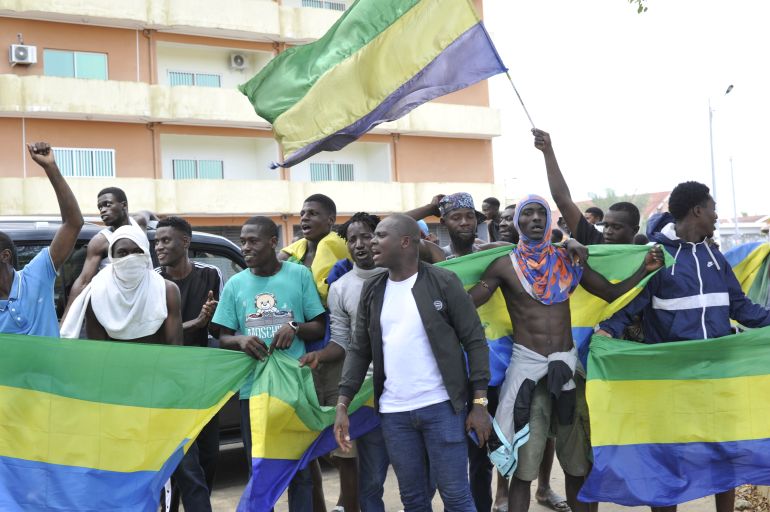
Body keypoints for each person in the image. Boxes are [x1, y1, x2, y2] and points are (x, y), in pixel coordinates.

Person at [469, 195, 663, 512]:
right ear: (517, 222)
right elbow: (468, 302)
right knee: (523, 470)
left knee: (577, 467)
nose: (534, 219)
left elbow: (609, 292)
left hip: (566, 368)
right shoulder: (505, 265)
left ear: (548, 221)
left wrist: (645, 269)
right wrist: (435, 297)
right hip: (526, 372)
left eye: (541, 213)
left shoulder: (567, 260)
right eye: (527, 213)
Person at [596, 181, 770, 512]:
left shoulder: (716, 257)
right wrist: (607, 332)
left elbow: (743, 309)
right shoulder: (657, 256)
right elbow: (632, 305)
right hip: (671, 383)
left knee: (725, 457)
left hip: (717, 379)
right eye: (714, 208)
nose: (717, 215)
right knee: (668, 462)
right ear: (698, 211)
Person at [334, 214, 491, 511]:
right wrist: (343, 403)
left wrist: (479, 403)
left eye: (380, 236)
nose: (371, 242)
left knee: (456, 497)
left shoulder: (443, 281)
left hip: (442, 408)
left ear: (405, 242)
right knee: (414, 500)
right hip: (395, 415)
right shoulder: (374, 290)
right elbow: (359, 350)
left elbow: (474, 341)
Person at [212, 216, 326, 512]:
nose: (245, 247)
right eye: (243, 241)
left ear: (273, 242)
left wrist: (296, 328)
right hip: (254, 391)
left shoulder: (299, 275)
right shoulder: (236, 284)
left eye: (253, 241)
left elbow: (319, 326)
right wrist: (240, 341)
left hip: (294, 388)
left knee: (299, 471)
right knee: (260, 470)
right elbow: (222, 336)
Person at [300, 212, 389, 512]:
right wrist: (318, 356)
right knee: (373, 478)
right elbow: (341, 342)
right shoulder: (340, 289)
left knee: (420, 471)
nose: (360, 244)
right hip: (366, 393)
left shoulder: (402, 276)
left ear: (380, 238)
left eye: (366, 236)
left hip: (410, 389)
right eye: (352, 239)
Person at [279, 193, 350, 511]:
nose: (305, 218)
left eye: (313, 213)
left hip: (333, 344)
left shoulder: (336, 246)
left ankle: (349, 504)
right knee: (307, 441)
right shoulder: (296, 252)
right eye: (302, 213)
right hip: (303, 345)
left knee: (341, 438)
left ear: (331, 220)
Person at [154, 216, 223, 512]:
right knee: (180, 462)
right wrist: (197, 321)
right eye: (156, 241)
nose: (159, 247)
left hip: (203, 381)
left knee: (208, 456)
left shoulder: (211, 274)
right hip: (168, 384)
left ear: (185, 242)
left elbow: (219, 329)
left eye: (166, 240)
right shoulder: (154, 280)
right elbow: (156, 336)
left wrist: (215, 317)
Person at [0, 142, 83, 337]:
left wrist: (50, 167)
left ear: (4, 256)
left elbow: (73, 223)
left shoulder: (36, 275)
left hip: (50, 370)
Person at [61, 225, 183, 345]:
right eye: (122, 253)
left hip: (157, 362)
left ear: (146, 253)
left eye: (137, 252)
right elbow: (98, 350)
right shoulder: (97, 293)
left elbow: (174, 345)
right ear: (112, 257)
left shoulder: (167, 291)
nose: (130, 258)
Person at [535, 129, 640, 245]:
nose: (608, 232)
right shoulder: (594, 240)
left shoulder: (649, 258)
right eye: (606, 225)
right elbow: (562, 199)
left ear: (635, 230)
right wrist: (548, 151)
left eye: (616, 227)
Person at [65, 185, 137, 313]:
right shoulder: (100, 241)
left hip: (145, 305)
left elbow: (147, 214)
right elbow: (83, 281)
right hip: (116, 310)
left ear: (124, 205)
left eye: (107, 204)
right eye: (100, 207)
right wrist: (67, 319)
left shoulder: (138, 225)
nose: (102, 210)